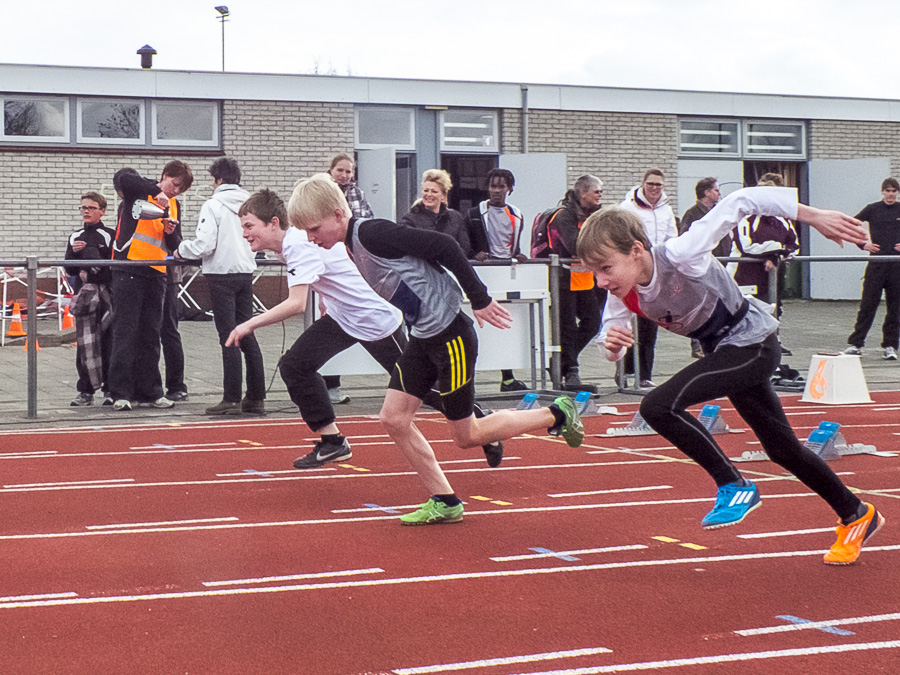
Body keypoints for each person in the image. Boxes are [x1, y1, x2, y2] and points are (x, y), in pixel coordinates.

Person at [580, 186, 884, 565]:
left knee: (658, 406)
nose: (601, 281)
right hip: (727, 351)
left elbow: (742, 201)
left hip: (752, 342)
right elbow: (612, 345)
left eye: (606, 268)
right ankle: (857, 514)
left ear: (636, 250)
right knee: (781, 448)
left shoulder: (681, 253)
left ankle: (733, 484)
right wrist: (612, 346)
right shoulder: (621, 294)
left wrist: (814, 216)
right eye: (593, 272)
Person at [288, 174, 584, 525]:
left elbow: (445, 247)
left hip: (451, 337)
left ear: (338, 215)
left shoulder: (371, 233)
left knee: (467, 435)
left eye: (313, 228)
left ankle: (557, 413)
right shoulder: (350, 243)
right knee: (394, 418)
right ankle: (444, 500)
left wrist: (480, 297)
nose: (310, 238)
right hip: (424, 337)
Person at [176, 157, 265, 414]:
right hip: (245, 273)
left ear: (217, 180)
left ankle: (231, 398)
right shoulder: (252, 204)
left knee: (228, 336)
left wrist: (182, 248)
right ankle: (256, 397)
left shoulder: (213, 205)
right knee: (247, 332)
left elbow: (205, 245)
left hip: (220, 275)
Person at [107, 161, 193, 411]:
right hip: (129, 267)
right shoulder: (139, 190)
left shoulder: (174, 205)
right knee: (126, 331)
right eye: (175, 184)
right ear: (164, 176)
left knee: (151, 333)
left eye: (181, 189)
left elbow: (175, 242)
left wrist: (171, 232)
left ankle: (151, 391)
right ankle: (120, 391)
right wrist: (157, 192)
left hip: (157, 271)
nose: (176, 191)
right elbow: (124, 177)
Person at [466, 167, 529, 392]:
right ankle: (468, 377)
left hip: (506, 276)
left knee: (506, 324)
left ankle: (508, 377)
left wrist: (518, 256)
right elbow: (465, 243)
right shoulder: (474, 213)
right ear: (487, 187)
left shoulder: (518, 214)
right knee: (478, 325)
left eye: (501, 186)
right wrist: (475, 254)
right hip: (483, 274)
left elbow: (513, 246)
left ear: (509, 189)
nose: (496, 191)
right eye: (493, 186)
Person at [323, 153, 375, 405]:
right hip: (327, 258)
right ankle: (329, 383)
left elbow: (366, 218)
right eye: (340, 170)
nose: (344, 175)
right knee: (329, 319)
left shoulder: (357, 193)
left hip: (351, 258)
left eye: (348, 171)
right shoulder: (321, 190)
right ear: (331, 170)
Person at [619, 168, 677, 387]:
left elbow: (672, 237)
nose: (654, 189)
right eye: (651, 184)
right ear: (643, 184)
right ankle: (624, 371)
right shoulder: (627, 208)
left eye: (658, 185)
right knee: (629, 321)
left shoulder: (666, 210)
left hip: (655, 271)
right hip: (632, 269)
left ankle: (645, 375)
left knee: (650, 322)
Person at [548, 175, 606, 393]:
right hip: (563, 278)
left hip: (585, 278)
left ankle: (560, 363)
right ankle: (571, 370)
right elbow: (574, 244)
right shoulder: (564, 216)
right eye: (597, 191)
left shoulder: (595, 214)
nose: (600, 195)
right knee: (567, 328)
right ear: (583, 193)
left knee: (593, 323)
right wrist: (599, 242)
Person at [66, 191, 115, 407]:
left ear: (102, 211)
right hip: (84, 294)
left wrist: (92, 253)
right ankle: (85, 390)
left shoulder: (110, 235)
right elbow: (69, 269)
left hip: (105, 294)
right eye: (83, 207)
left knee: (108, 341)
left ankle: (110, 388)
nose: (86, 211)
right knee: (84, 343)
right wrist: (76, 255)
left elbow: (111, 267)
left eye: (91, 207)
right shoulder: (74, 236)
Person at [844, 177, 900, 360]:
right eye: (888, 191)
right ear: (882, 191)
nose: (891, 194)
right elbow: (850, 225)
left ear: (897, 193)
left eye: (894, 191)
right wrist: (862, 244)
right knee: (868, 305)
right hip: (876, 265)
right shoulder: (872, 208)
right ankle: (856, 343)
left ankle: (890, 346)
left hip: (896, 266)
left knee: (895, 307)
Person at [732, 173, 798, 325]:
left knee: (775, 308)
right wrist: (775, 249)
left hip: (774, 274)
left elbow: (794, 246)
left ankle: (774, 342)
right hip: (746, 274)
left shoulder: (783, 219)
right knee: (746, 312)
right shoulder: (746, 218)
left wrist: (776, 256)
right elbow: (746, 247)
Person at [680, 177, 725, 359]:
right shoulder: (692, 214)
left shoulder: (717, 212)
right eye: (716, 190)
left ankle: (715, 341)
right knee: (699, 305)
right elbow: (685, 237)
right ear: (706, 192)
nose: (719, 194)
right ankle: (698, 344)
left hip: (719, 263)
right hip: (700, 266)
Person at [400, 169, 472, 258]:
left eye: (434, 191)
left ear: (443, 196)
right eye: (426, 190)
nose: (429, 194)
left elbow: (465, 248)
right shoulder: (409, 219)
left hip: (449, 268)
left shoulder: (455, 217)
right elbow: (408, 249)